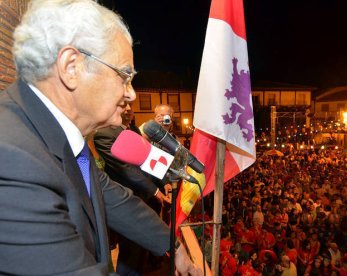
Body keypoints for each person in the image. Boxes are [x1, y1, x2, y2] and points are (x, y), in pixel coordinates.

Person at [0, 1, 200, 275]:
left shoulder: (56, 136)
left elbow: (109, 197)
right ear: (72, 67)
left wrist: (172, 246)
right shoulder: (11, 159)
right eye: (124, 76)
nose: (130, 94)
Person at [94, 103, 171, 275]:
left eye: (130, 105)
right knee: (130, 254)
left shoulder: (134, 130)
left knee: (140, 251)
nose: (128, 108)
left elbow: (150, 159)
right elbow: (127, 170)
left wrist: (164, 182)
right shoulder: (104, 136)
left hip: (146, 201)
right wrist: (156, 191)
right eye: (123, 104)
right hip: (126, 204)